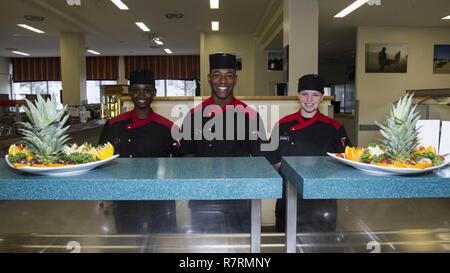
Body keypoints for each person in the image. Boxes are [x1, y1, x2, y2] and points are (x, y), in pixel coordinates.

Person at [179, 53, 266, 233]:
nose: (223, 81)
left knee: (241, 248)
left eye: (229, 75)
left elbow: (258, 160)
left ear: (235, 79)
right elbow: (187, 159)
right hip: (203, 198)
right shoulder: (194, 115)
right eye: (217, 75)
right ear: (209, 79)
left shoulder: (250, 115)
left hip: (240, 198)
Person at [266, 74, 352, 233]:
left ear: (322, 97)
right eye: (305, 94)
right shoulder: (283, 124)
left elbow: (348, 162)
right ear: (298, 95)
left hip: (323, 201)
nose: (309, 99)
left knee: (321, 245)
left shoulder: (334, 128)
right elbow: (272, 160)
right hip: (289, 198)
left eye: (315, 95)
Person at [98, 69, 178, 234]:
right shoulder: (114, 125)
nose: (142, 95)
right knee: (127, 241)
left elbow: (177, 165)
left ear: (154, 92)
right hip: (125, 196)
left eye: (147, 90)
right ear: (130, 92)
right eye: (136, 90)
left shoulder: (167, 127)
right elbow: (101, 159)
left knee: (159, 241)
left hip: (159, 197)